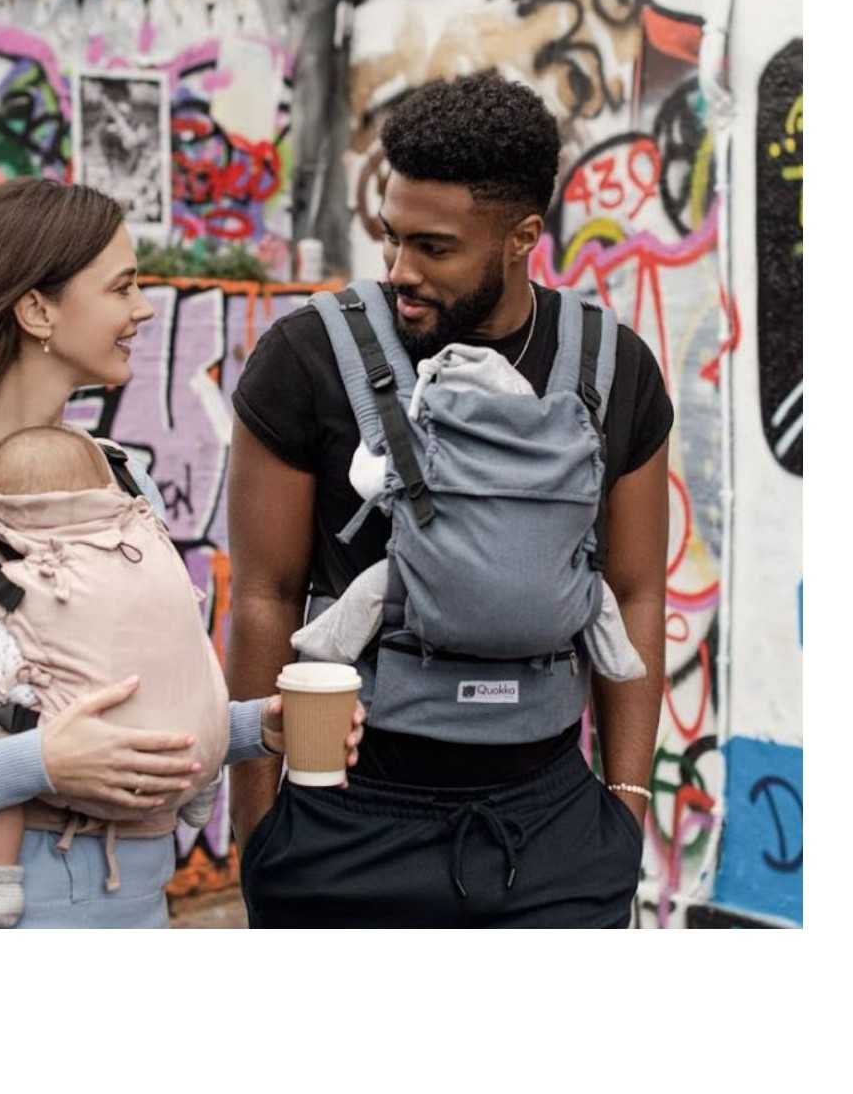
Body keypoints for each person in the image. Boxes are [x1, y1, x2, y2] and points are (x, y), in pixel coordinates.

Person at [0, 176, 364, 929]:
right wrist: (38, 764)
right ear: (37, 309)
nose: (144, 310)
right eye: (122, 287)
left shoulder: (119, 478)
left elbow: (128, 710)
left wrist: (252, 728)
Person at [228, 72, 672, 928]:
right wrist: (261, 834)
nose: (401, 272)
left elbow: (635, 591)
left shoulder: (613, 369)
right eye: (391, 239)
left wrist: (624, 806)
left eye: (433, 248)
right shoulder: (307, 359)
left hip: (550, 823)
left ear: (522, 237)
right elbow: (264, 597)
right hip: (346, 810)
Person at [0, 424, 228, 929]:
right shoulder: (153, 556)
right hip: (193, 753)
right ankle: (203, 788)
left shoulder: (17, 587)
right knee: (188, 661)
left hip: (99, 773)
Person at [289, 345, 645, 684]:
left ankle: (324, 645)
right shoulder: (553, 450)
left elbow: (363, 478)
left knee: (377, 586)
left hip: (435, 584)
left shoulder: (430, 446)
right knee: (594, 592)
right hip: (549, 595)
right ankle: (618, 659)